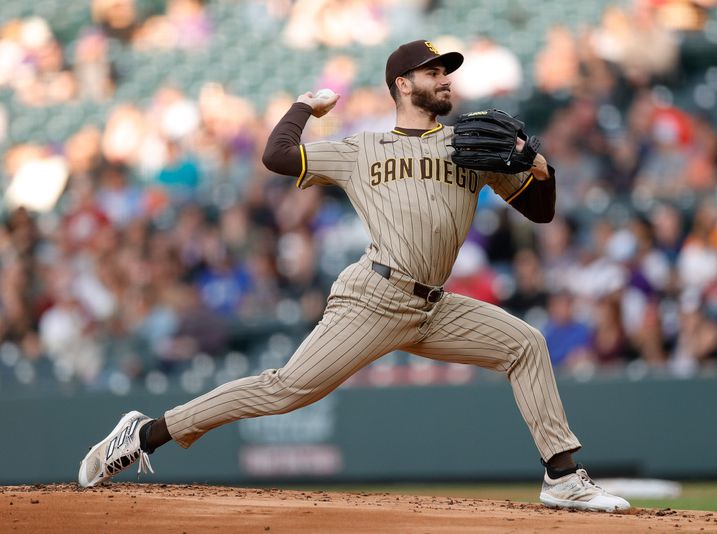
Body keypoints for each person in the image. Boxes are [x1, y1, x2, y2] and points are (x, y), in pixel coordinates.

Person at [78, 40, 630, 513]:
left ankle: (562, 480)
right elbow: (276, 156)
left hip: (433, 306)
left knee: (526, 344)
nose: (445, 81)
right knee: (285, 391)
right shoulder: (361, 148)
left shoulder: (468, 145)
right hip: (374, 297)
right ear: (402, 84)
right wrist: (302, 106)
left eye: (447, 73)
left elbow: (541, 213)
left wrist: (539, 167)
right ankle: (143, 433)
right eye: (433, 72)